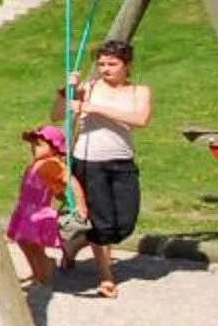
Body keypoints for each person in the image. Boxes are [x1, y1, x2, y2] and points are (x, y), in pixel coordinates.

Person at [61, 39, 152, 297]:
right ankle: (106, 277)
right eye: (101, 64)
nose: (105, 69)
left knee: (124, 224)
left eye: (112, 64)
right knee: (102, 224)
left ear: (127, 65)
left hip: (122, 162)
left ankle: (74, 245)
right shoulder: (88, 88)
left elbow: (140, 120)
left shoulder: (139, 91)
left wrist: (95, 108)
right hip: (89, 162)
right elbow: (57, 113)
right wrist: (67, 90)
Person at [8, 122, 71, 289]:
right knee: (23, 242)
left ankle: (43, 276)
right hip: (25, 210)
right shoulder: (35, 163)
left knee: (34, 245)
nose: (34, 147)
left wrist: (67, 192)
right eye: (33, 144)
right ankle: (37, 271)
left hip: (38, 212)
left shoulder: (52, 164)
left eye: (39, 144)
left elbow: (66, 181)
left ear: (54, 148)